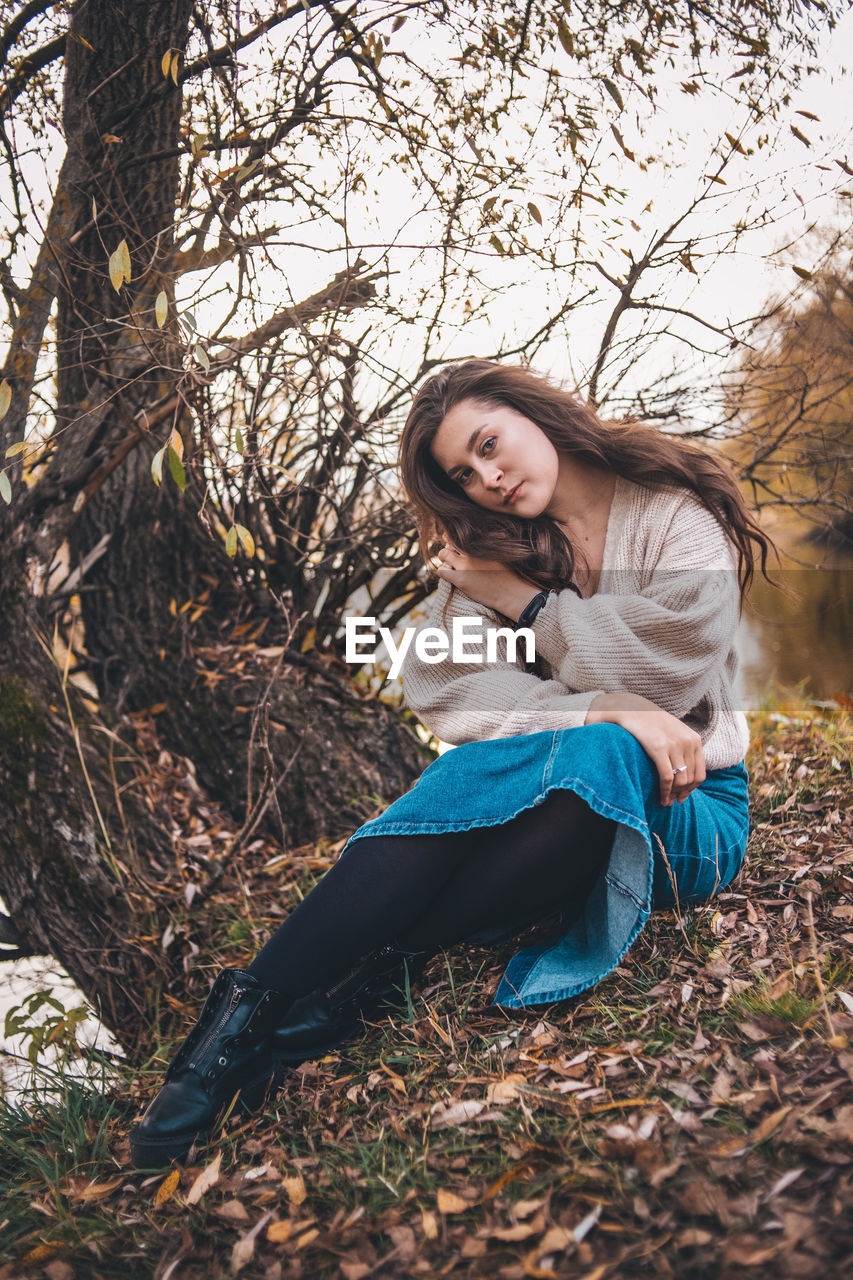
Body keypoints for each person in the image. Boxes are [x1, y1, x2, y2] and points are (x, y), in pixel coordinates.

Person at [130, 359, 777, 1168]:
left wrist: (532, 608)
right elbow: (450, 690)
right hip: (559, 804)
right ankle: (231, 1035)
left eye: (489, 445)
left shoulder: (675, 517)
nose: (488, 479)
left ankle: (376, 971)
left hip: (693, 809)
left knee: (602, 754)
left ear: (533, 413)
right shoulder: (485, 553)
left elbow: (666, 670)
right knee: (548, 752)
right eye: (464, 475)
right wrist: (592, 706)